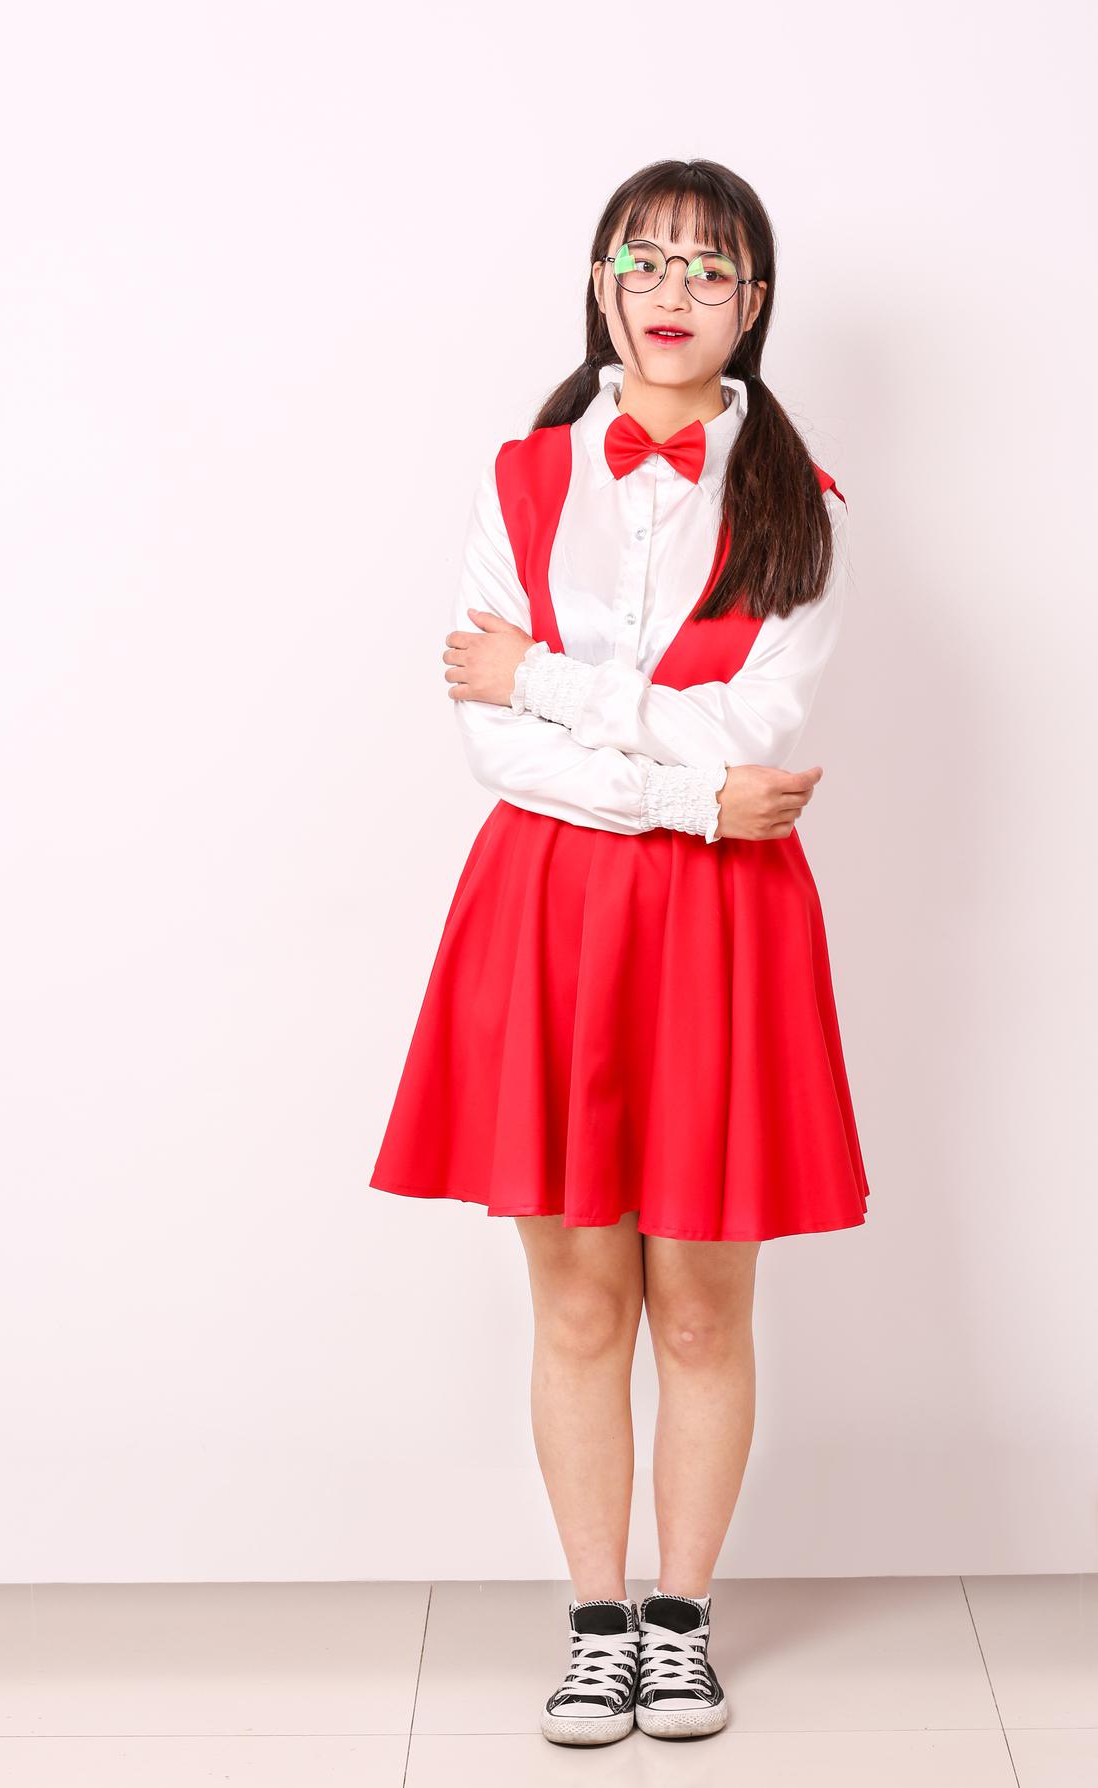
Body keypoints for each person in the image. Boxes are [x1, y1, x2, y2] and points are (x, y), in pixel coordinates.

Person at [368, 157, 872, 1748]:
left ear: (754, 303)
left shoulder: (801, 504)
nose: (671, 293)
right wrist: (689, 795)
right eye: (643, 261)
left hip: (726, 926)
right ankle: (596, 1624)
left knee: (704, 1302)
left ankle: (682, 1624)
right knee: (580, 1297)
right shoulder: (522, 477)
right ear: (601, 285)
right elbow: (491, 743)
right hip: (552, 905)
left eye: (709, 270)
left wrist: (552, 681)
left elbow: (759, 728)